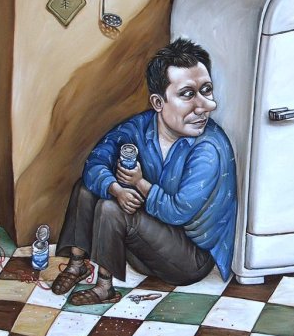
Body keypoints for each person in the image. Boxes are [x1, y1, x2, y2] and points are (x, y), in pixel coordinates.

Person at [52, 38, 237, 305]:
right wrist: (116, 188)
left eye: (206, 90)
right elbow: (95, 162)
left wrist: (139, 183)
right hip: (146, 248)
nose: (208, 105)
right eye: (188, 94)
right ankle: (77, 264)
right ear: (158, 102)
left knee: (111, 209)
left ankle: (105, 287)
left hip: (189, 261)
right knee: (87, 187)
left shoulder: (209, 148)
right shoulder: (140, 127)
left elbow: (178, 211)